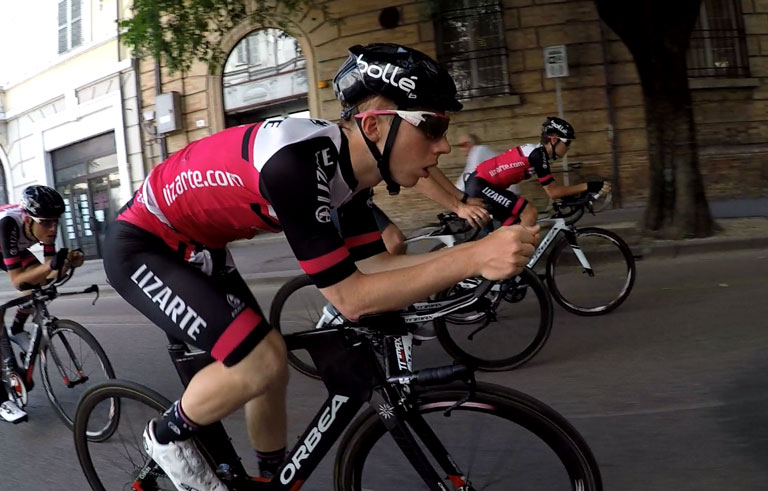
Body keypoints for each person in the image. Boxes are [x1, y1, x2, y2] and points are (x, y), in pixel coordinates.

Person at [103, 43, 538, 491]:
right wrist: (472, 256)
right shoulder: (297, 164)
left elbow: (378, 265)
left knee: (270, 366)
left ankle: (272, 478)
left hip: (203, 245)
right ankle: (166, 437)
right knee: (260, 359)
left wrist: (474, 260)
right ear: (373, 126)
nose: (443, 145)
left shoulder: (350, 176)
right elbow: (352, 297)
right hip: (144, 245)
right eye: (431, 126)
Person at [0, 185, 83, 423]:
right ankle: (0, 396)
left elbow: (49, 272)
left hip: (4, 247)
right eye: (46, 223)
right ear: (29, 219)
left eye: (56, 221)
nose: (52, 229)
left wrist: (67, 263)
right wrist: (51, 266)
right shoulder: (8, 224)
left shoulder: (45, 227)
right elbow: (18, 280)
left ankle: (18, 328)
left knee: (39, 285)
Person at [463, 117, 612, 227]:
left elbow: (555, 190)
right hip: (481, 185)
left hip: (482, 184)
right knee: (529, 212)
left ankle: (505, 257)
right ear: (554, 140)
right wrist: (590, 186)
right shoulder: (538, 155)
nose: (569, 147)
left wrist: (578, 194)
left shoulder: (538, 154)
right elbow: (554, 192)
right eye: (567, 142)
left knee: (514, 226)